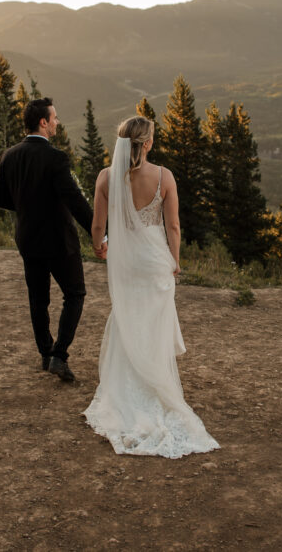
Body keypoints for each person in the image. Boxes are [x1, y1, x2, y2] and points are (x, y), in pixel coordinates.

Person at [83, 116, 219, 457]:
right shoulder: (164, 177)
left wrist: (99, 245)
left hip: (127, 264)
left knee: (128, 319)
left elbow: (98, 224)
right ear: (147, 143)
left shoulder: (106, 178)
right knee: (153, 326)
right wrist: (174, 261)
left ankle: (127, 393)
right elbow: (172, 225)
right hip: (155, 263)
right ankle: (156, 387)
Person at [0, 98, 103, 382]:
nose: (57, 122)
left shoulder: (9, 155)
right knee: (75, 294)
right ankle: (59, 355)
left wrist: (29, 207)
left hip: (28, 238)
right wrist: (99, 233)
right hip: (58, 240)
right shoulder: (55, 158)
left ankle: (46, 353)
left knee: (38, 298)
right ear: (43, 122)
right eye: (54, 118)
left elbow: (3, 200)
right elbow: (76, 201)